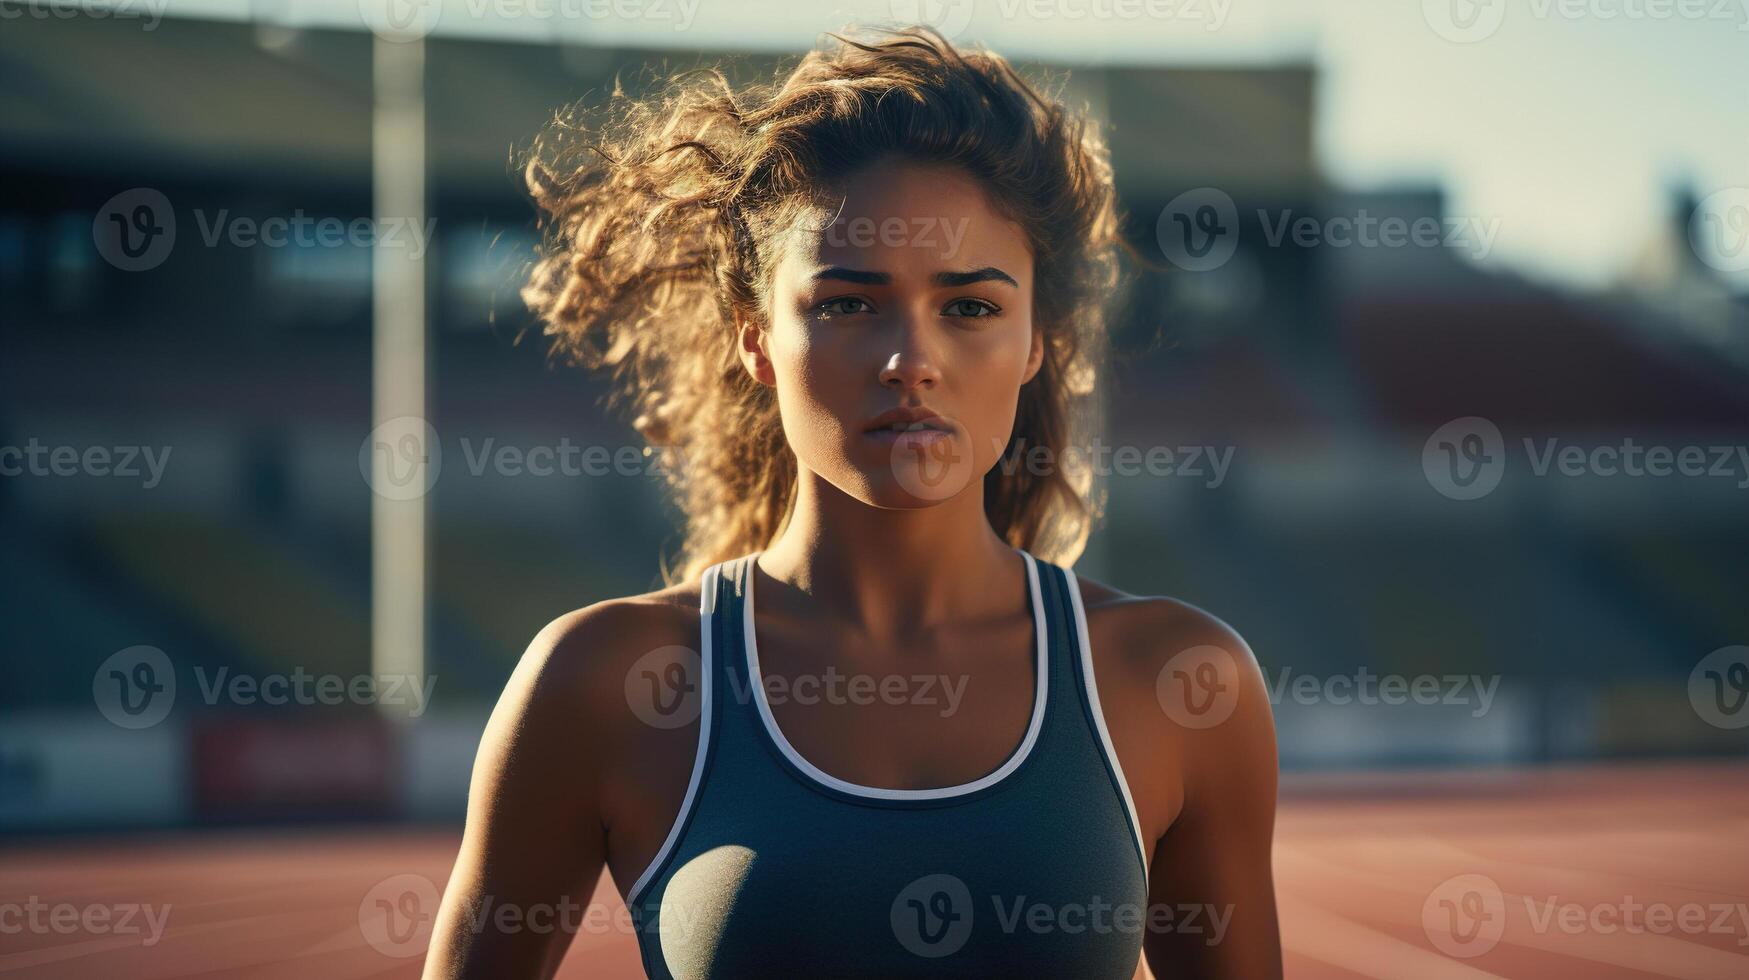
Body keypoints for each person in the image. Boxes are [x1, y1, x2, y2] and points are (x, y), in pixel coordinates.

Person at [425, 27, 1281, 979]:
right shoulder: (601, 684)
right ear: (755, 340)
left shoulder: (1177, 685)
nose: (910, 359)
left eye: (969, 307)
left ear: (1036, 340)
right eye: (846, 303)